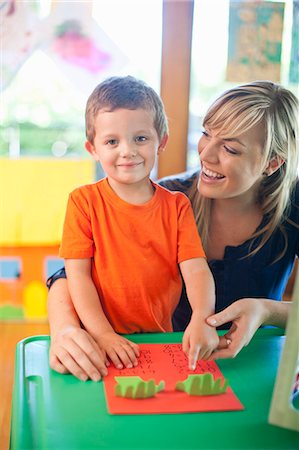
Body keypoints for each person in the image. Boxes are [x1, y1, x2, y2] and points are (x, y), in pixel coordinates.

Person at [48, 80, 299, 382]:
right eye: (207, 133)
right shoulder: (167, 197)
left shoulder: (292, 208)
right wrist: (66, 329)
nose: (206, 154)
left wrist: (267, 312)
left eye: (230, 148)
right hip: (168, 358)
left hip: (258, 365)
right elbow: (72, 272)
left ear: (272, 163)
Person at [58, 75, 219, 380]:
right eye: (112, 141)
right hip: (96, 343)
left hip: (159, 341)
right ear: (93, 148)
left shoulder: (177, 206)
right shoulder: (83, 202)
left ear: (162, 141)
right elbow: (76, 277)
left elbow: (196, 270)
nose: (127, 151)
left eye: (141, 138)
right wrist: (104, 335)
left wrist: (201, 317)